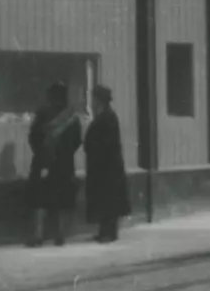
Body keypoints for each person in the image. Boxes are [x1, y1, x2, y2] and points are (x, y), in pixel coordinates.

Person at [26, 83, 83, 247]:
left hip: (43, 162)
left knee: (39, 200)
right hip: (63, 164)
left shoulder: (42, 114)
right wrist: (64, 153)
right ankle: (60, 234)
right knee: (61, 200)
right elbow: (77, 141)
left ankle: (37, 235)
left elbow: (33, 137)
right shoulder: (72, 117)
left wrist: (41, 152)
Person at [84, 85, 131, 243]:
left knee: (108, 200)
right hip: (104, 167)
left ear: (100, 100)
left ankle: (109, 233)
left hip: (108, 168)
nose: (93, 102)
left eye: (95, 99)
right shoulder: (104, 116)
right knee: (105, 200)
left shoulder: (108, 117)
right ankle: (105, 231)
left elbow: (107, 143)